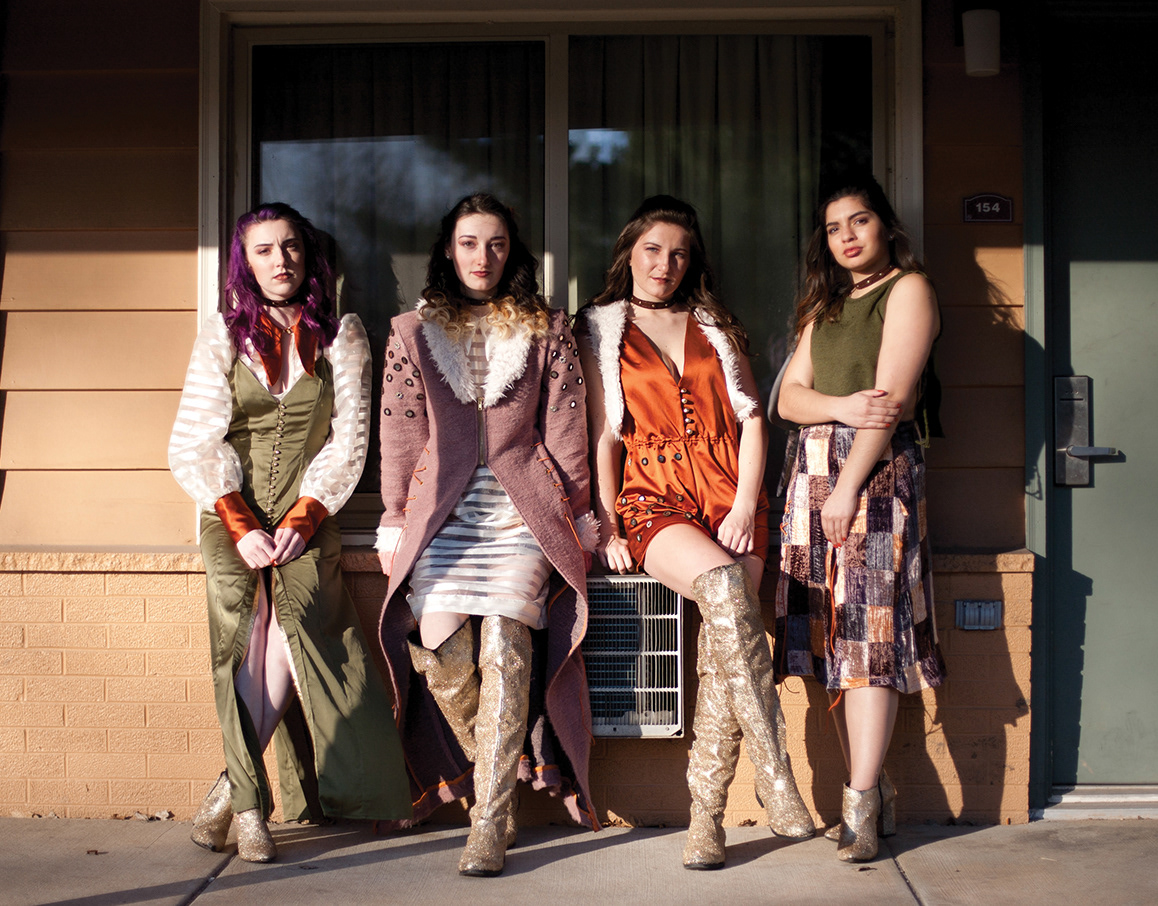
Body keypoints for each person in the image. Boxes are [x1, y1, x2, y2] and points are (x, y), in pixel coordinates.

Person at [577, 195, 814, 872]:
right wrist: (607, 519)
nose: (665, 264)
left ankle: (705, 823)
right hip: (653, 495)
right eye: (653, 249)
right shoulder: (599, 326)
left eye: (679, 253)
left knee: (723, 650)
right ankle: (777, 776)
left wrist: (743, 506)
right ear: (629, 253)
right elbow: (605, 434)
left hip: (731, 495)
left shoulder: (716, 324)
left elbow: (753, 419)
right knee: (726, 592)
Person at [169, 202, 411, 862]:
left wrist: (304, 519)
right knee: (241, 629)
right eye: (265, 250)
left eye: (291, 247)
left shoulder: (341, 336)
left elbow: (348, 442)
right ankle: (252, 813)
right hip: (230, 508)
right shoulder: (223, 335)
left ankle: (228, 794)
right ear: (245, 264)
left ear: (309, 256)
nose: (281, 260)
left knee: (296, 620)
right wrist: (241, 525)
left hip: (310, 509)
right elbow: (194, 442)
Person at [376, 193, 599, 877]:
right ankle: (505, 765)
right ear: (449, 249)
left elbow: (566, 427)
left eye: (496, 243)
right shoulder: (412, 332)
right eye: (470, 243)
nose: (483, 256)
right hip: (441, 513)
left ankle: (489, 821)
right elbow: (400, 433)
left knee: (505, 640)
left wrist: (577, 511)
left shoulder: (546, 329)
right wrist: (393, 517)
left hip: (521, 510)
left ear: (512, 252)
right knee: (439, 644)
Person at [775, 174, 947, 862]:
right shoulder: (825, 306)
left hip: (871, 479)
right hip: (812, 477)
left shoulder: (908, 290)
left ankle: (860, 802)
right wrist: (841, 406)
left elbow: (892, 401)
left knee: (870, 637)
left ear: (885, 226)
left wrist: (847, 488)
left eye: (859, 221)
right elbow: (788, 399)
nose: (847, 236)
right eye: (834, 227)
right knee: (832, 642)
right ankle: (875, 796)